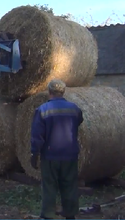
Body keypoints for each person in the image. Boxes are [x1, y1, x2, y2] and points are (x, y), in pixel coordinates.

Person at [30, 79, 84, 220]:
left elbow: (37, 134)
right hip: (70, 155)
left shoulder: (42, 110)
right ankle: (70, 215)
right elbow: (79, 120)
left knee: (49, 187)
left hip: (50, 156)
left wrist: (34, 153)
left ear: (49, 92)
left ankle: (48, 215)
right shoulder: (74, 108)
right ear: (63, 92)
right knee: (70, 185)